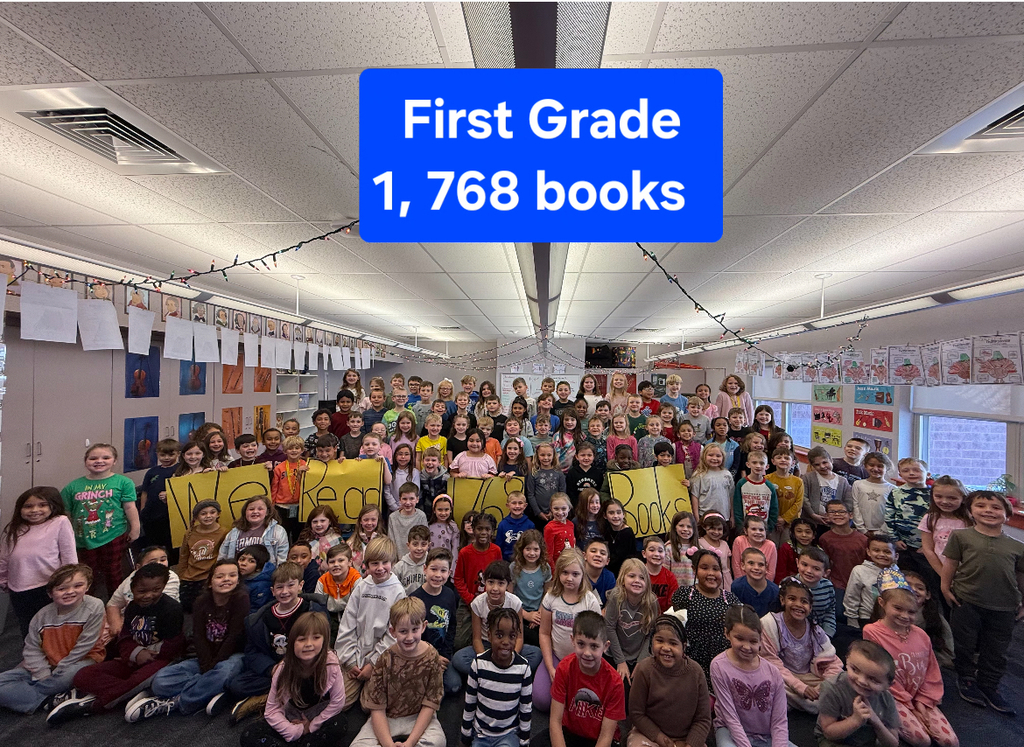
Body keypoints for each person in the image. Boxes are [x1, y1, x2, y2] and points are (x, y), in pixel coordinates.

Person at [49, 564, 184, 724]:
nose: (149, 595)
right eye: (142, 591)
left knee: (138, 680)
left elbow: (175, 644)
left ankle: (93, 705)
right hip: (133, 660)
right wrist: (136, 653)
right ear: (131, 589)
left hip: (159, 661)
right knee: (83, 676)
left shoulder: (172, 609)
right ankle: (130, 693)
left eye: (156, 590)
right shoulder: (132, 608)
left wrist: (148, 655)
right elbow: (124, 637)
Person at [129, 559, 249, 720]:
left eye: (232, 575)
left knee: (223, 673)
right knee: (161, 681)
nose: (226, 579)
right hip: (204, 657)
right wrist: (206, 667)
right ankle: (209, 689)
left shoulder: (241, 599)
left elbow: (234, 636)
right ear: (210, 582)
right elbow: (198, 636)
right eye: (220, 576)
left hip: (233, 655)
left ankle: (178, 701)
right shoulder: (201, 602)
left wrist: (214, 666)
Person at [941, 490, 1024, 715]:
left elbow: (1020, 576)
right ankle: (967, 678)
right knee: (965, 644)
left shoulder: (1017, 545)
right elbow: (951, 563)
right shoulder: (961, 537)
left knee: (997, 650)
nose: (988, 511)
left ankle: (989, 684)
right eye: (981, 506)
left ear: (1007, 515)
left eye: (996, 508)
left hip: (1004, 606)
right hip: (966, 601)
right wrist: (945, 587)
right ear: (971, 511)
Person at [227, 562, 327, 724]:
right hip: (276, 670)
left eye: (290, 585)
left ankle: (268, 700)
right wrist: (270, 668)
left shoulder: (313, 611)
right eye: (279, 587)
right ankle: (277, 696)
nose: (285, 591)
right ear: (273, 591)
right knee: (237, 685)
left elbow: (323, 645)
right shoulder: (260, 619)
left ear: (300, 586)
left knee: (316, 686)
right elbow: (252, 651)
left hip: (306, 669)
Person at [863, 580, 958, 747]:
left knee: (950, 742)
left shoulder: (921, 635)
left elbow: (931, 671)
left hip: (920, 695)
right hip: (891, 696)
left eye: (911, 612)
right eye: (898, 609)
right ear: (882, 603)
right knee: (921, 740)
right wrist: (910, 705)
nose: (905, 616)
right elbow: (879, 673)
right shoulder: (872, 631)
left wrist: (922, 701)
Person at [0, 564, 104, 714]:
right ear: (50, 593)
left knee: (68, 676)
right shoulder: (41, 616)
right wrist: (43, 672)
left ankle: (28, 696)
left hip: (82, 660)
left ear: (87, 587)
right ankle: (48, 700)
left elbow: (85, 645)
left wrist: (60, 668)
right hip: (48, 665)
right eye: (62, 589)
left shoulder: (95, 606)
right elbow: (32, 648)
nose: (70, 592)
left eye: (78, 585)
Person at [237, 611, 347, 747]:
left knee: (339, 724)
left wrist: (311, 726)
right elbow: (271, 710)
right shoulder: (283, 669)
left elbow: (338, 702)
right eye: (301, 639)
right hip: (290, 717)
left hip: (318, 717)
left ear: (324, 641)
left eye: (316, 637)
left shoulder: (331, 664)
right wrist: (296, 730)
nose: (308, 644)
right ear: (292, 643)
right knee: (250, 734)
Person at [349, 597, 446, 747]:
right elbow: (377, 707)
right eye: (403, 631)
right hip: (387, 716)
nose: (409, 637)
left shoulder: (432, 656)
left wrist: (410, 742)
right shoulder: (384, 659)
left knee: (438, 742)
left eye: (415, 630)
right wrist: (388, 744)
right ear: (393, 631)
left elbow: (431, 703)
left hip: (418, 716)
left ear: (424, 626)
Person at [335, 536, 407, 709]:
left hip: (380, 659)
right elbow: (348, 623)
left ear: (393, 562)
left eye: (385, 562)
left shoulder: (398, 592)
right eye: (374, 563)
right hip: (355, 655)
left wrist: (373, 663)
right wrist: (350, 660)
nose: (380, 568)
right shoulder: (361, 586)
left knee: (369, 706)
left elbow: (394, 635)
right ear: (366, 564)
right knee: (339, 703)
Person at [60, 443, 140, 595]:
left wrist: (135, 528)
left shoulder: (123, 482)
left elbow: (130, 507)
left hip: (113, 535)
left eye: (106, 457)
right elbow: (66, 514)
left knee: (114, 572)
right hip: (82, 538)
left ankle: (116, 604)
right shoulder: (72, 486)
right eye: (93, 458)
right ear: (86, 461)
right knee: (85, 573)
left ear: (114, 461)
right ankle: (87, 604)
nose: (99, 461)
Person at [710, 604, 794, 747]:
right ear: (727, 633)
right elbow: (730, 717)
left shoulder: (773, 672)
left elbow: (779, 721)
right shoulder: (719, 666)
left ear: (761, 639)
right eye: (740, 638)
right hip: (731, 732)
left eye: (753, 641)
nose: (747, 647)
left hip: (766, 735)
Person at [626, 608, 712, 747]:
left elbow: (703, 719)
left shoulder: (696, 672)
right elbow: (636, 713)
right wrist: (662, 740)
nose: (666, 648)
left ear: (684, 647)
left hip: (687, 738)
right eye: (659, 641)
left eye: (673, 643)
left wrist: (690, 744)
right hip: (649, 735)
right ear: (652, 642)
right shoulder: (644, 669)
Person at [0, 487, 78, 636]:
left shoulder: (60, 522)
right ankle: (30, 655)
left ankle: (53, 655)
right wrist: (3, 579)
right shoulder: (14, 528)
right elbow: (4, 558)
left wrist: (69, 583)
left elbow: (69, 556)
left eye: (42, 505)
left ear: (53, 506)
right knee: (27, 624)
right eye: (28, 506)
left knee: (51, 625)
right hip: (19, 588)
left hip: (48, 585)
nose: (35, 510)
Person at [760, 576, 843, 714]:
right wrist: (801, 688)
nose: (798, 605)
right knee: (768, 683)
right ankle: (815, 705)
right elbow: (771, 662)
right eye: (792, 599)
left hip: (809, 677)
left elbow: (834, 662)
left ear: (810, 608)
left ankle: (802, 704)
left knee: (844, 679)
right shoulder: (770, 623)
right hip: (784, 679)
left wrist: (823, 687)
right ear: (782, 600)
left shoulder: (815, 630)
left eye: (804, 601)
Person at [534, 548, 602, 711]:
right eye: (565, 572)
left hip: (583, 660)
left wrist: (586, 666)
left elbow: (596, 639)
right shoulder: (551, 597)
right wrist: (551, 668)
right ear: (558, 573)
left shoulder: (590, 601)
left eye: (575, 574)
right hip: (557, 656)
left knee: (580, 702)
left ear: (582, 574)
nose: (569, 578)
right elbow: (544, 633)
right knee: (541, 701)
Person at [548, 611, 626, 747]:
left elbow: (606, 736)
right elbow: (555, 721)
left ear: (606, 647)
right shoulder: (564, 668)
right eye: (581, 644)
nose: (587, 653)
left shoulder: (615, 682)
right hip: (570, 732)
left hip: (598, 739)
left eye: (594, 646)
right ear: (572, 641)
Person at [454, 560, 542, 677]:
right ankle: (501, 673)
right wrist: (484, 659)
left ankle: (495, 673)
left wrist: (512, 657)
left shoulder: (515, 603)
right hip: (487, 645)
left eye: (500, 583)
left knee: (536, 654)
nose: (495, 588)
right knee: (459, 659)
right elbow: (477, 639)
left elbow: (519, 637)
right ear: (485, 582)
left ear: (507, 585)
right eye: (491, 582)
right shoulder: (477, 603)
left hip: (509, 645)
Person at [461, 607, 534, 747]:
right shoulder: (478, 664)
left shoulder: (523, 668)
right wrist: (465, 735)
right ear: (489, 636)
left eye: (512, 636)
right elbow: (470, 703)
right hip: (481, 733)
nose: (506, 642)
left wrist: (524, 741)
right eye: (499, 635)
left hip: (508, 734)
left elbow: (526, 708)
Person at [670, 549, 740, 692]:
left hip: (723, 665)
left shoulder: (731, 599)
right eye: (704, 568)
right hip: (692, 664)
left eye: (716, 569)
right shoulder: (684, 595)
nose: (711, 573)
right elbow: (673, 629)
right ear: (694, 569)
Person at [814, 640, 900, 747]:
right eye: (855, 670)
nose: (861, 681)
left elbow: (893, 743)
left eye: (873, 679)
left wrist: (876, 721)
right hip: (835, 741)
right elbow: (828, 733)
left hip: (867, 741)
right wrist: (856, 720)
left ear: (889, 685)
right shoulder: (832, 688)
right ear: (847, 661)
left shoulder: (886, 699)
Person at [411, 548, 460, 694]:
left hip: (442, 654)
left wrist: (444, 655)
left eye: (443, 571)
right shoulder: (415, 599)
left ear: (449, 573)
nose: (438, 575)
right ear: (425, 569)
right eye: (434, 569)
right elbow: (412, 636)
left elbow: (451, 626)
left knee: (454, 686)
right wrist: (432, 658)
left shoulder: (450, 595)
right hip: (420, 655)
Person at [604, 559, 658, 691]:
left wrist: (642, 660)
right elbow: (609, 628)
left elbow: (651, 634)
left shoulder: (652, 602)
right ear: (623, 579)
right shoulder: (616, 598)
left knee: (638, 689)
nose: (637, 581)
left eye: (642, 578)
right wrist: (620, 661)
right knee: (618, 688)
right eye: (631, 576)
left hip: (639, 655)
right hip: (615, 653)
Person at [106, 545, 180, 636]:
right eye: (152, 562)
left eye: (163, 560)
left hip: (156, 622)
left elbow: (161, 608)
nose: (159, 564)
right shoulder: (132, 578)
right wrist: (116, 625)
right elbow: (113, 604)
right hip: (129, 619)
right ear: (138, 567)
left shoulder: (171, 578)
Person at [176, 499, 227, 613]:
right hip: (189, 577)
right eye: (203, 513)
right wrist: (181, 576)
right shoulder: (189, 533)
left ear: (218, 514)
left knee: (206, 609)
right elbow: (184, 556)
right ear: (197, 517)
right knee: (188, 609)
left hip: (208, 578)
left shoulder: (223, 532)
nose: (208, 516)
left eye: (212, 512)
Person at [883, 458, 931, 576]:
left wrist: (929, 547)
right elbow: (889, 517)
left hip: (927, 547)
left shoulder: (935, 494)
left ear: (928, 474)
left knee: (928, 578)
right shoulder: (896, 493)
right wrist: (895, 539)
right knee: (906, 576)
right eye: (906, 470)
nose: (911, 473)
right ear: (900, 474)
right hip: (904, 546)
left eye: (916, 470)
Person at [819, 500, 868, 609]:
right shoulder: (825, 539)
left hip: (859, 585)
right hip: (836, 585)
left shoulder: (862, 539)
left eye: (841, 512)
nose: (837, 515)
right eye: (832, 512)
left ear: (850, 515)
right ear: (827, 516)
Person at [137, 439, 180, 557]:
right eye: (163, 455)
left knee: (170, 545)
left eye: (171, 455)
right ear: (157, 455)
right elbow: (145, 492)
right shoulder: (152, 471)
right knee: (153, 544)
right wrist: (143, 510)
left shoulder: (180, 469)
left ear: (178, 454)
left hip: (170, 516)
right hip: (151, 514)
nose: (166, 458)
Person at [845, 534, 899, 629]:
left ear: (896, 556)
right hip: (867, 618)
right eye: (876, 550)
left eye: (887, 552)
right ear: (868, 552)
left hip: (891, 619)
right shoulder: (860, 571)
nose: (881, 555)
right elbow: (851, 596)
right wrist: (852, 619)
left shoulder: (898, 573)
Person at [218, 495, 289, 565]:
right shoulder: (233, 533)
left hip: (266, 574)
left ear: (267, 512)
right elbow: (223, 556)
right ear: (245, 512)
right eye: (251, 509)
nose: (255, 512)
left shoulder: (278, 531)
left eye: (260, 509)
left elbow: (282, 558)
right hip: (238, 573)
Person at [511, 530, 551, 649]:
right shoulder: (514, 568)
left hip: (539, 613)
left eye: (536, 549)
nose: (532, 553)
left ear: (541, 550)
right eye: (528, 549)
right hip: (518, 612)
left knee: (540, 639)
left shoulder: (545, 568)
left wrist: (538, 614)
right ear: (521, 549)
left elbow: (547, 593)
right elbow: (510, 595)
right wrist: (526, 615)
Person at [316, 543, 360, 637]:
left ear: (350, 562)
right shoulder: (322, 581)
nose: (336, 565)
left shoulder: (356, 579)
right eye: (332, 562)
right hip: (329, 617)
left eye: (341, 560)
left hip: (351, 617)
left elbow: (359, 606)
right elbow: (318, 608)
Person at [803, 447, 854, 528]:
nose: (822, 466)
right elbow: (804, 498)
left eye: (825, 462)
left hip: (835, 523)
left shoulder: (842, 481)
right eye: (817, 464)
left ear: (831, 460)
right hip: (812, 521)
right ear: (812, 466)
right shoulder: (808, 478)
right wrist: (812, 514)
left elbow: (848, 501)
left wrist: (838, 517)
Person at [734, 451, 779, 533]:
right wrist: (741, 528)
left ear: (767, 466)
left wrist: (768, 528)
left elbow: (774, 509)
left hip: (763, 530)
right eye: (754, 463)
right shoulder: (741, 484)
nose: (758, 466)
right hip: (745, 530)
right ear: (748, 464)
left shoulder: (769, 486)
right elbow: (737, 508)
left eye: (762, 463)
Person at [797, 547, 837, 638]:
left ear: (826, 573)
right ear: (797, 563)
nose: (809, 571)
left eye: (816, 569)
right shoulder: (788, 584)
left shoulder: (828, 586)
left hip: (821, 633)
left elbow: (830, 611)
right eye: (804, 565)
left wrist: (827, 633)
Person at [767, 447, 803, 546]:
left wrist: (785, 519)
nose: (783, 460)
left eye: (787, 458)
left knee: (786, 547)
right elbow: (765, 501)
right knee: (772, 546)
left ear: (793, 463)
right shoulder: (767, 479)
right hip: (772, 521)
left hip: (789, 523)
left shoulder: (798, 481)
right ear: (773, 461)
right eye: (779, 457)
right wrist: (776, 518)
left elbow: (798, 503)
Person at [852, 452, 894, 534]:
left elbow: (891, 512)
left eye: (880, 466)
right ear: (865, 466)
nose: (875, 469)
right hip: (862, 530)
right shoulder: (858, 484)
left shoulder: (892, 489)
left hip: (884, 531)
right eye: (871, 465)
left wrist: (881, 531)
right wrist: (862, 529)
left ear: (887, 468)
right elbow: (855, 507)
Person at [732, 548, 779, 617]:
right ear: (742, 566)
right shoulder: (736, 586)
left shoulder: (775, 591)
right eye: (751, 563)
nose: (756, 568)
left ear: (766, 567)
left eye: (761, 564)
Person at [528, 443, 567, 525]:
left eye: (549, 455)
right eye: (542, 455)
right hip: (538, 514)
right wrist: (538, 512)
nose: (546, 458)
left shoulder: (559, 473)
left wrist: (553, 511)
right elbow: (530, 494)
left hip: (555, 513)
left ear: (553, 456)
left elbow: (562, 493)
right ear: (537, 456)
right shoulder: (534, 473)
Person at [732, 516, 778, 582]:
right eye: (753, 529)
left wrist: (763, 586)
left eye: (761, 530)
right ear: (745, 531)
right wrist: (742, 583)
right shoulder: (739, 541)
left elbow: (771, 572)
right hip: (742, 582)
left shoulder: (771, 546)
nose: (758, 532)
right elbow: (736, 566)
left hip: (763, 584)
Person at [298, 505, 343, 572]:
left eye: (322, 521)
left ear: (330, 521)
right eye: (315, 522)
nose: (318, 524)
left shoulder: (336, 539)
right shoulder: (306, 539)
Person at [388, 481, 428, 553]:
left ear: (417, 499)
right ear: (400, 499)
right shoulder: (393, 517)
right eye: (404, 499)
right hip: (398, 560)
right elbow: (391, 542)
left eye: (411, 499)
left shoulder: (421, 516)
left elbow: (425, 540)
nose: (408, 502)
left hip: (417, 558)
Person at [642, 536, 678, 613]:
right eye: (652, 550)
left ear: (665, 554)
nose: (656, 554)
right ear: (644, 554)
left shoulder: (670, 577)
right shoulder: (638, 574)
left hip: (662, 618)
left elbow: (672, 604)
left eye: (660, 551)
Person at [601, 498, 636, 577]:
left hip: (624, 573)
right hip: (608, 572)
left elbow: (631, 557)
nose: (615, 516)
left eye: (618, 512)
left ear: (623, 514)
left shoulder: (628, 533)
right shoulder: (606, 531)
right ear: (605, 515)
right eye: (611, 513)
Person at [393, 524, 431, 595]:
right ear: (408, 545)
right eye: (415, 544)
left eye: (423, 544)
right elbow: (394, 590)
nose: (419, 548)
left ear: (428, 545)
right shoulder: (399, 567)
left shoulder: (432, 564)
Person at [497, 490, 535, 561]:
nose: (517, 506)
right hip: (506, 561)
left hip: (524, 561)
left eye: (520, 503)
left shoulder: (530, 525)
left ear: (525, 506)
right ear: (508, 505)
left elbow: (531, 546)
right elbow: (499, 547)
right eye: (514, 503)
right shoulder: (502, 525)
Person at [699, 512, 733, 587]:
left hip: (725, 581)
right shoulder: (700, 543)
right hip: (708, 579)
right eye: (712, 528)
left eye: (719, 529)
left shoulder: (724, 544)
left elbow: (727, 567)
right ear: (704, 527)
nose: (716, 532)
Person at [239, 545, 275, 613]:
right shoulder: (240, 578)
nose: (243, 563)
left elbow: (256, 610)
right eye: (242, 559)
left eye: (251, 561)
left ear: (259, 567)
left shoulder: (262, 584)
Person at [348, 504, 382, 573]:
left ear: (378, 520)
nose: (369, 523)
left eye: (373, 520)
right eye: (366, 520)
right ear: (360, 521)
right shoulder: (351, 543)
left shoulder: (383, 542)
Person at [544, 493, 576, 565]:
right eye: (556, 509)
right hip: (557, 566)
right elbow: (548, 554)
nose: (560, 512)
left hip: (570, 563)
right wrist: (553, 572)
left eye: (563, 508)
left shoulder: (571, 524)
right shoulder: (549, 528)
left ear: (569, 508)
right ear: (551, 509)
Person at [427, 493, 458, 559]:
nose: (443, 513)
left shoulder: (453, 527)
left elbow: (455, 548)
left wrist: (452, 567)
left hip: (447, 562)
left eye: (446, 509)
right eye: (440, 510)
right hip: (431, 561)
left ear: (451, 510)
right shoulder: (429, 526)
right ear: (434, 510)